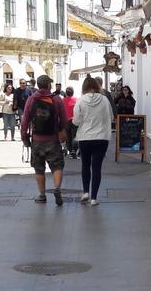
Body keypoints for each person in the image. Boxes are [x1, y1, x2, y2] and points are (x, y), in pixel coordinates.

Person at [21, 75, 67, 205]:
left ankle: (42, 195)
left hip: (37, 140)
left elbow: (25, 121)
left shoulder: (31, 99)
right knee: (57, 166)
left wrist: (24, 138)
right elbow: (64, 119)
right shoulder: (56, 99)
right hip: (53, 139)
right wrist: (64, 133)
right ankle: (57, 188)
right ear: (48, 85)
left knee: (39, 168)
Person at [72, 76, 113, 205]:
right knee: (96, 167)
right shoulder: (105, 100)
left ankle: (85, 192)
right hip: (101, 138)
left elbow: (76, 121)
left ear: (84, 88)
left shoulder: (81, 101)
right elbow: (111, 116)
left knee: (85, 165)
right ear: (97, 86)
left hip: (85, 137)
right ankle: (94, 198)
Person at [62, 86, 79, 159]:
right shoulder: (76, 100)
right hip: (74, 120)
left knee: (68, 136)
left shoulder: (63, 100)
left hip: (66, 120)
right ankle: (74, 151)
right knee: (74, 136)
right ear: (73, 92)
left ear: (66, 93)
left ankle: (70, 150)